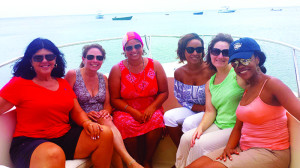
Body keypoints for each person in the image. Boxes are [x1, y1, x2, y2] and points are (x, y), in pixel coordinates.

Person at [187, 37, 300, 168]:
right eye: (234, 63)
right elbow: (239, 126)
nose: (239, 66)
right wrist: (228, 147)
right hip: (244, 147)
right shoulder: (247, 87)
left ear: (257, 59)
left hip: (270, 152)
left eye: (245, 60)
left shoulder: (272, 84)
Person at [0, 38, 113, 168]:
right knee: (54, 153)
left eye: (49, 56)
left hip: (63, 136)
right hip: (30, 142)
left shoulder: (62, 83)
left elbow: (76, 111)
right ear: (30, 61)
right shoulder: (19, 83)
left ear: (55, 59)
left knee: (105, 134)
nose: (44, 61)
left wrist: (86, 123)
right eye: (38, 58)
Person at [65, 44, 143, 168]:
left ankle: (128, 164)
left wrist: (106, 112)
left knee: (106, 123)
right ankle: (130, 162)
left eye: (99, 58)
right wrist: (85, 115)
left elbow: (107, 104)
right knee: (107, 125)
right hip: (80, 120)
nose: (95, 60)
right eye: (91, 57)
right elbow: (66, 102)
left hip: (101, 119)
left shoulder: (103, 78)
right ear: (83, 58)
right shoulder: (73, 74)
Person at [175, 33, 246, 168]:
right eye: (215, 51)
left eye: (225, 52)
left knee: (198, 145)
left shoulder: (238, 75)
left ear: (231, 55)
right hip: (218, 124)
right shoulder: (210, 83)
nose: (220, 56)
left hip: (234, 128)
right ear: (210, 54)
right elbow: (210, 111)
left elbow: (256, 86)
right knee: (186, 139)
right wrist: (200, 128)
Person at [108, 32, 168, 168]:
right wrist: (133, 112)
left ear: (142, 46)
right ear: (124, 50)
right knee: (124, 123)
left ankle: (147, 160)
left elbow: (164, 92)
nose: (134, 50)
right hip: (126, 109)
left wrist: (152, 108)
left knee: (157, 119)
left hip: (150, 106)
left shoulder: (155, 65)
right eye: (129, 48)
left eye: (137, 46)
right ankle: (135, 161)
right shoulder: (117, 69)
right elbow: (114, 99)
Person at [163, 33, 215, 147]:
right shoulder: (179, 73)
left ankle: (187, 157)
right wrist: (198, 107)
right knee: (168, 117)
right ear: (183, 51)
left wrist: (207, 108)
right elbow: (180, 98)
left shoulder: (212, 69)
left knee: (188, 123)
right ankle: (180, 152)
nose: (195, 53)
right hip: (194, 109)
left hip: (210, 110)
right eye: (190, 49)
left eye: (199, 49)